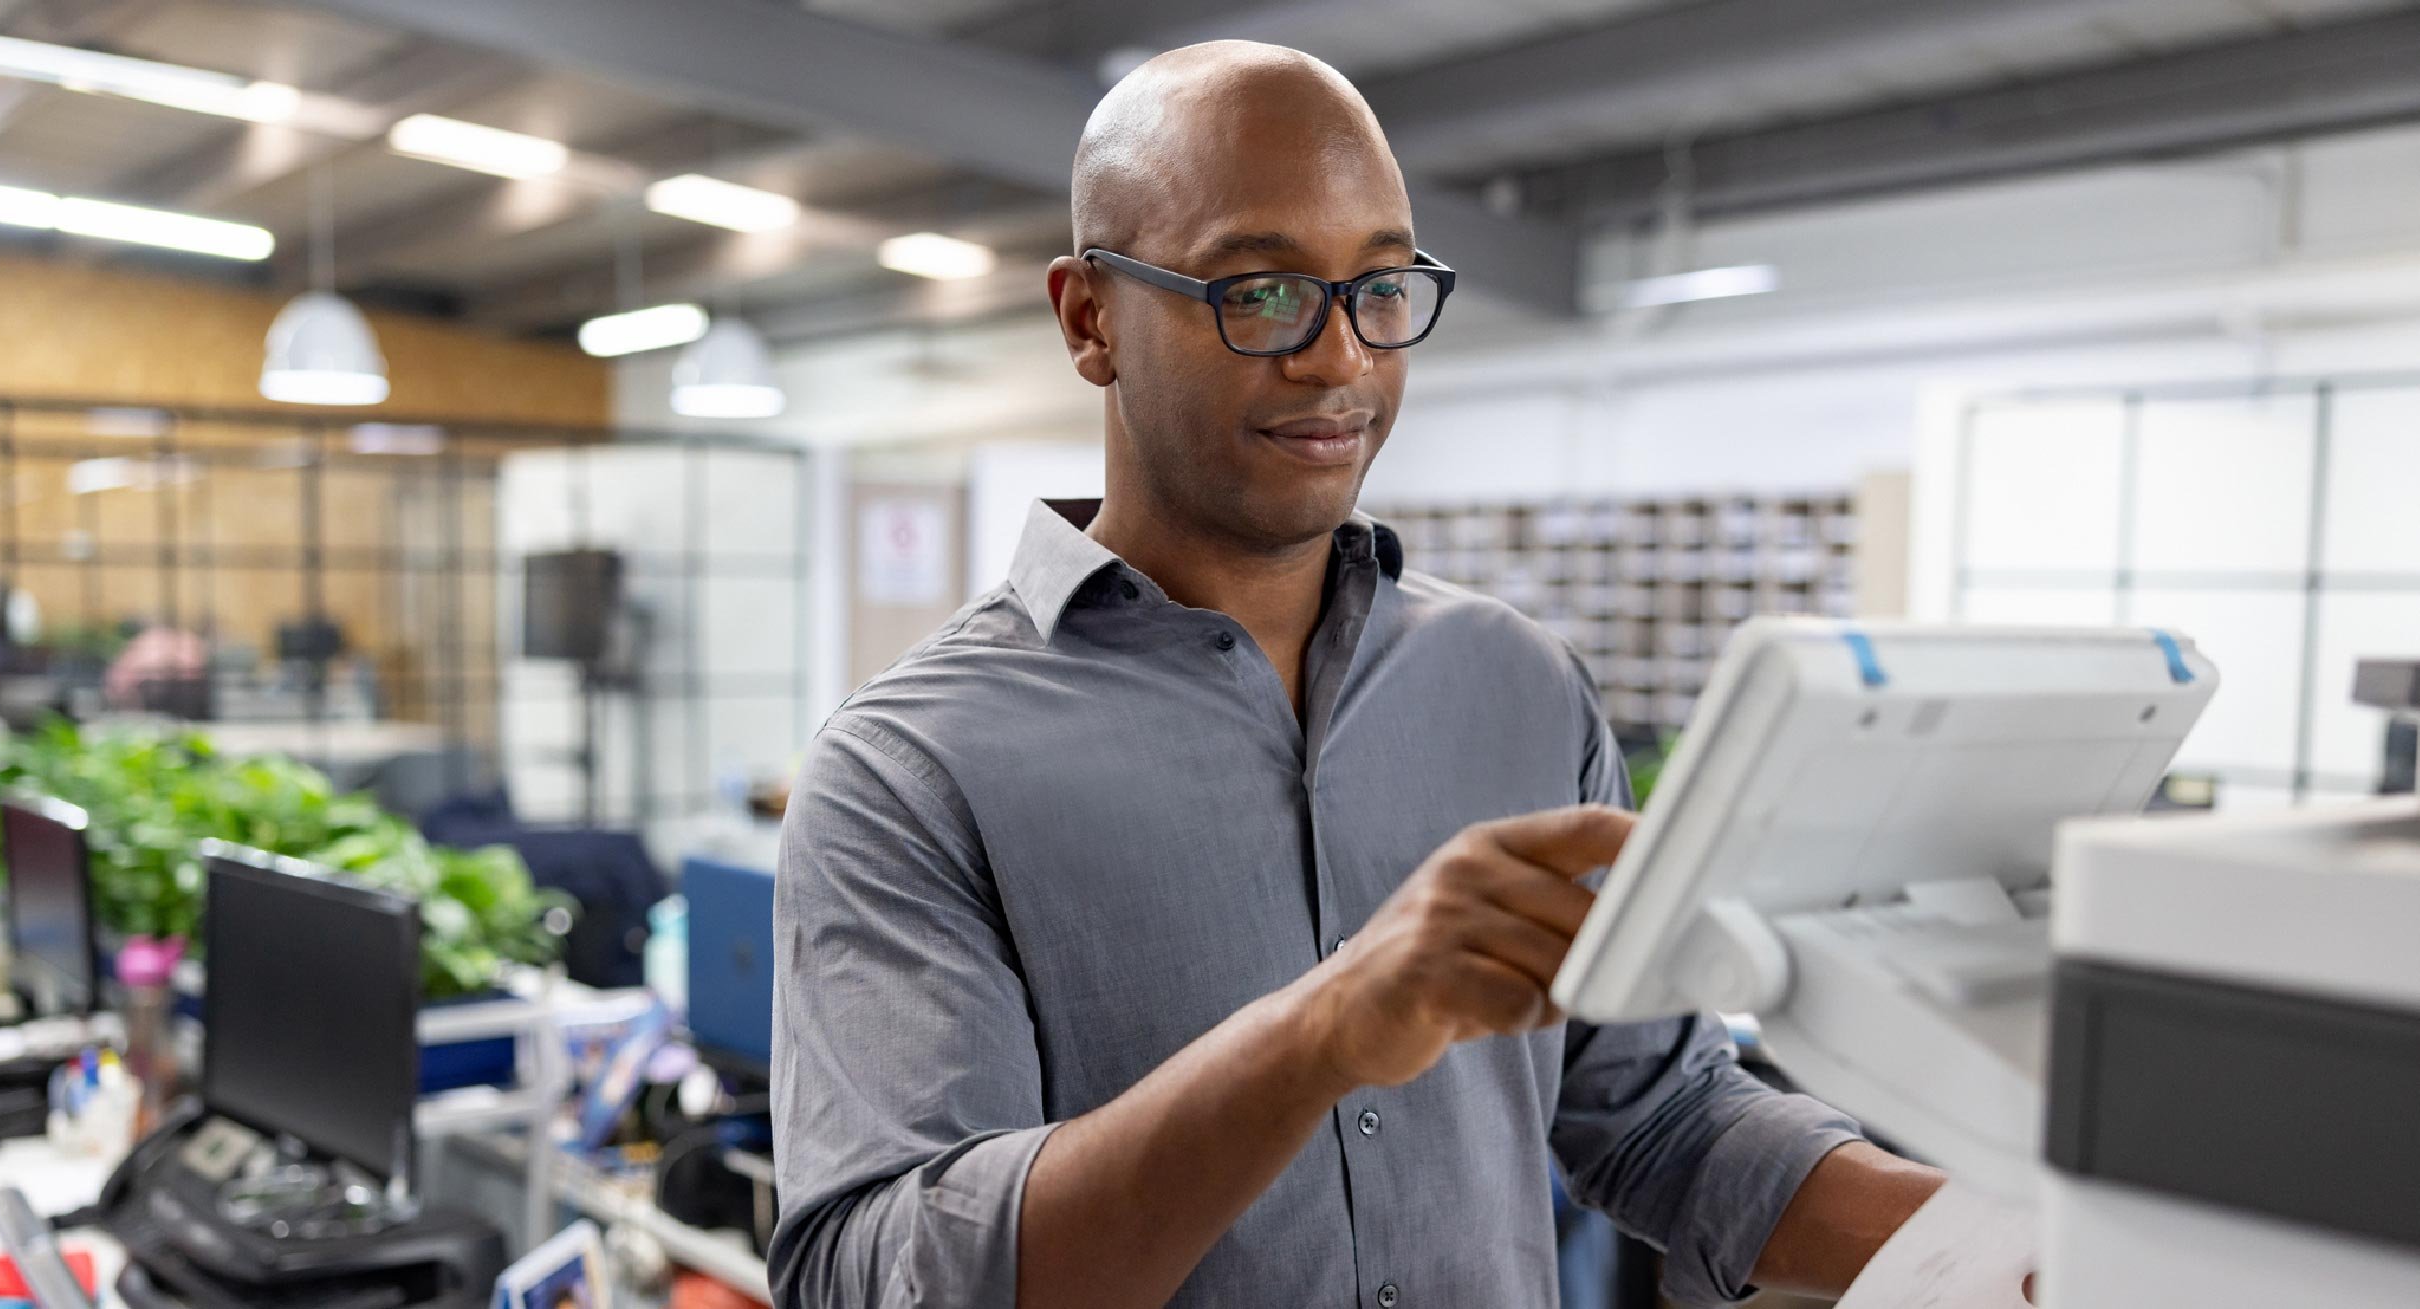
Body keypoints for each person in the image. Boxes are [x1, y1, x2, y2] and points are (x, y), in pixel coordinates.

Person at [771, 41, 1949, 1309]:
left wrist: (2025, 1242)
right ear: (1088, 318)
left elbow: (1662, 1116)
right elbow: (877, 1275)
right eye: (1261, 290)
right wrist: (1321, 1032)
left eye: (1380, 286)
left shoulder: (1518, 685)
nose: (1340, 359)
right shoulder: (910, 768)